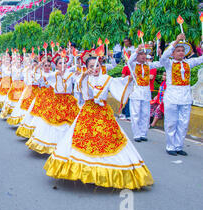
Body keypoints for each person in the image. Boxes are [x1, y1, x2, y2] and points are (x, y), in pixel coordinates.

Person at [44, 50, 154, 190]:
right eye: (91, 66)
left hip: (103, 114)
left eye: (97, 66)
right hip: (88, 112)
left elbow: (119, 84)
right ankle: (85, 172)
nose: (94, 69)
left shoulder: (107, 78)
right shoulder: (84, 78)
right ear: (87, 67)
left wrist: (129, 80)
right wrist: (84, 76)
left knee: (109, 141)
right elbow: (82, 91)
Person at [26, 53, 80, 154]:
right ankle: (53, 145)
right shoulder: (52, 75)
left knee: (70, 124)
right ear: (56, 65)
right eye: (60, 63)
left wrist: (80, 75)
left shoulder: (70, 74)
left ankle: (67, 147)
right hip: (57, 102)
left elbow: (80, 83)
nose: (62, 65)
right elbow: (37, 77)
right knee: (54, 125)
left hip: (69, 103)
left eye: (64, 63)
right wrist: (38, 66)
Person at [159, 33, 203, 156]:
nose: (181, 53)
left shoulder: (189, 63)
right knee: (171, 122)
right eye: (178, 50)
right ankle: (170, 146)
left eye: (182, 50)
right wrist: (176, 41)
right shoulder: (169, 64)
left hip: (185, 97)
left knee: (183, 123)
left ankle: (179, 146)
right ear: (173, 53)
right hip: (172, 96)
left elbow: (201, 59)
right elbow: (163, 57)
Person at [127, 46, 161, 142]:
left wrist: (160, 54)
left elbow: (160, 63)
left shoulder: (148, 65)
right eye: (140, 54)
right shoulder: (133, 64)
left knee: (145, 114)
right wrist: (137, 50)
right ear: (136, 55)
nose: (143, 56)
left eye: (144, 54)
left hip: (146, 91)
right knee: (135, 113)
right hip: (136, 91)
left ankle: (143, 133)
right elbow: (129, 61)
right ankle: (136, 134)